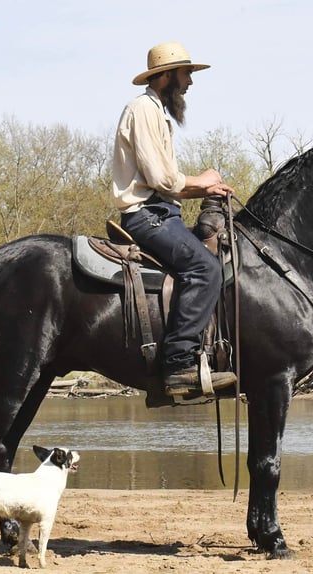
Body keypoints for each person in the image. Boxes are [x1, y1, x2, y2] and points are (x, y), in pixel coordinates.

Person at [111, 41, 237, 397]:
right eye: (186, 74)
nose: (190, 83)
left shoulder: (156, 113)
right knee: (205, 269)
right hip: (147, 215)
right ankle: (179, 364)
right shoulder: (143, 110)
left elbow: (171, 185)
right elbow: (160, 179)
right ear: (165, 76)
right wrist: (203, 181)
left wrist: (206, 188)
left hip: (161, 211)